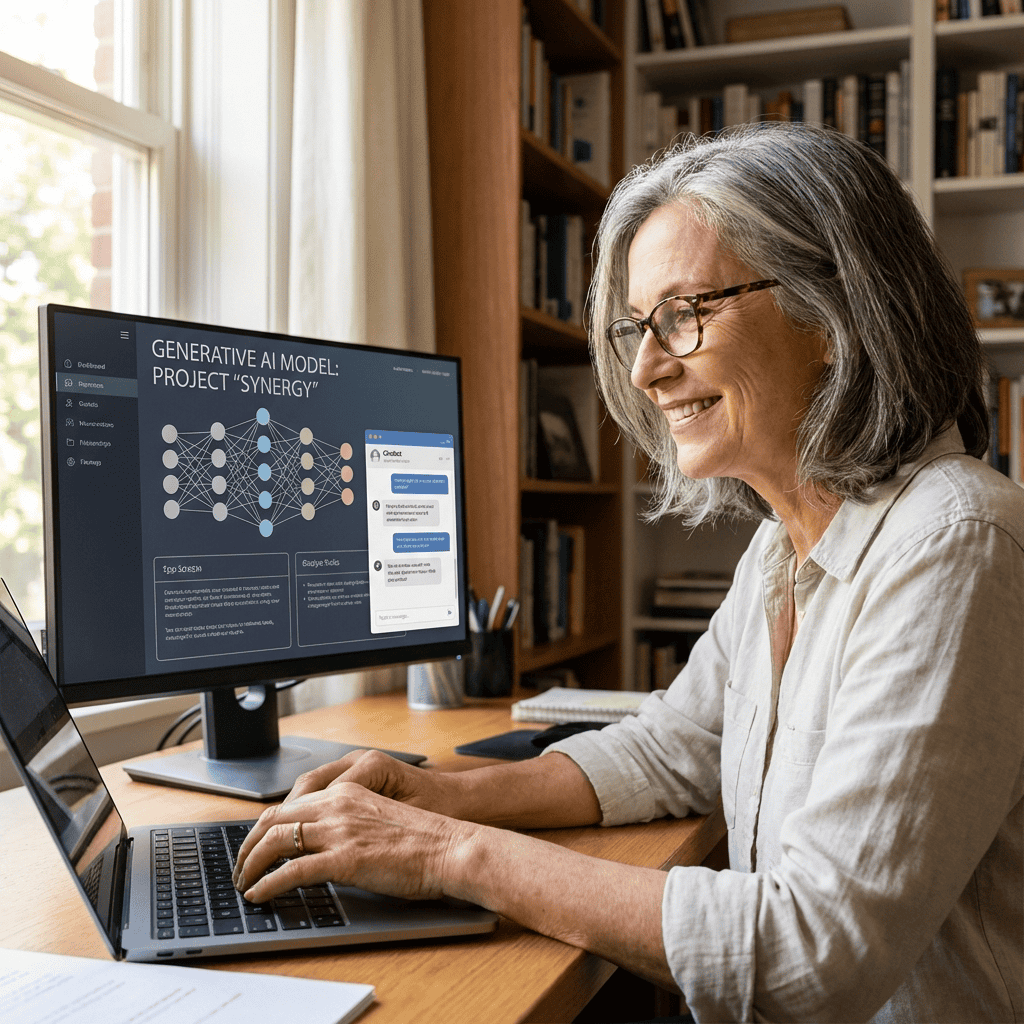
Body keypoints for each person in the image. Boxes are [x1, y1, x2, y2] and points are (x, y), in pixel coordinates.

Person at [233, 123, 1023, 1023]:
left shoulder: (954, 542)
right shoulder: (785, 545)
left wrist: (443, 851)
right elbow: (670, 747)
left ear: (835, 312)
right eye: (638, 328)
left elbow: (812, 953)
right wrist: (440, 791)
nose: (646, 368)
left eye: (684, 314)